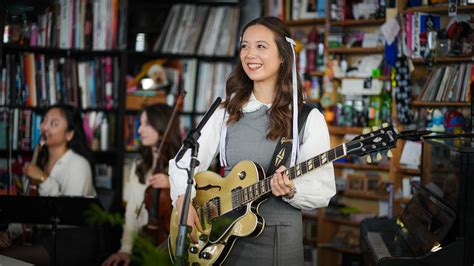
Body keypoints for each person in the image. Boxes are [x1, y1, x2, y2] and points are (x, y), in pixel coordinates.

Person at [169, 16, 336, 264]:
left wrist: (292, 190)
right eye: (245, 46)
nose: (249, 54)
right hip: (221, 242)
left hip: (279, 243)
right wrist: (183, 200)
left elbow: (323, 189)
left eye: (261, 46)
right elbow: (182, 163)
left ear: (282, 56)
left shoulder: (307, 119)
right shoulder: (224, 112)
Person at [0, 104, 97, 265]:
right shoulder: (39, 161)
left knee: (4, 259)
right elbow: (28, 208)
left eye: (54, 123)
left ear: (70, 134)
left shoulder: (79, 165)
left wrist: (43, 178)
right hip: (42, 238)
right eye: (44, 120)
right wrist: (8, 233)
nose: (44, 127)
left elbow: (67, 217)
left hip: (69, 242)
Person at [102, 104, 181, 266]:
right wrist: (126, 249)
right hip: (141, 243)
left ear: (161, 125)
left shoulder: (181, 167)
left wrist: (173, 185)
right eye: (140, 124)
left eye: (146, 124)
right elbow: (131, 212)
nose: (139, 131)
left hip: (170, 248)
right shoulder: (139, 165)